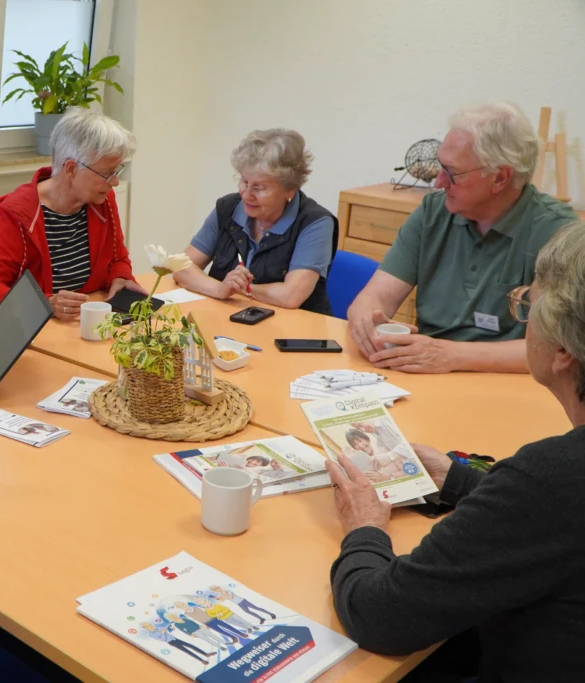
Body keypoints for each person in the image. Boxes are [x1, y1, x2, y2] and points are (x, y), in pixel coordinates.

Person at [327, 222, 585, 682]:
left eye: (528, 306)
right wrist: (461, 480)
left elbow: (379, 615)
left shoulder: (550, 478)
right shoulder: (550, 485)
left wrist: (364, 528)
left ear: (563, 347)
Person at [347, 101, 578, 374]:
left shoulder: (559, 234)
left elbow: (559, 349)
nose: (438, 182)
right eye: (440, 167)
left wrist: (450, 355)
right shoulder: (433, 212)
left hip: (507, 385)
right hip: (426, 373)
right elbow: (374, 297)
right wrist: (369, 325)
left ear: (500, 178)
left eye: (452, 173)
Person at [0, 109, 143, 320]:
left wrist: (121, 277)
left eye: (116, 171)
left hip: (83, 322)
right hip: (41, 328)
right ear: (71, 169)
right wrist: (46, 303)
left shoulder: (102, 200)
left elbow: (117, 258)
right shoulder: (19, 214)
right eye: (107, 174)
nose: (114, 182)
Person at [174, 129, 338, 314]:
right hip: (226, 318)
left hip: (290, 327)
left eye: (259, 187)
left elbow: (290, 296)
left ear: (290, 190)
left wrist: (241, 288)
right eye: (244, 182)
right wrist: (219, 289)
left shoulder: (315, 223)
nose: (247, 195)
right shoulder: (228, 208)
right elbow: (181, 267)